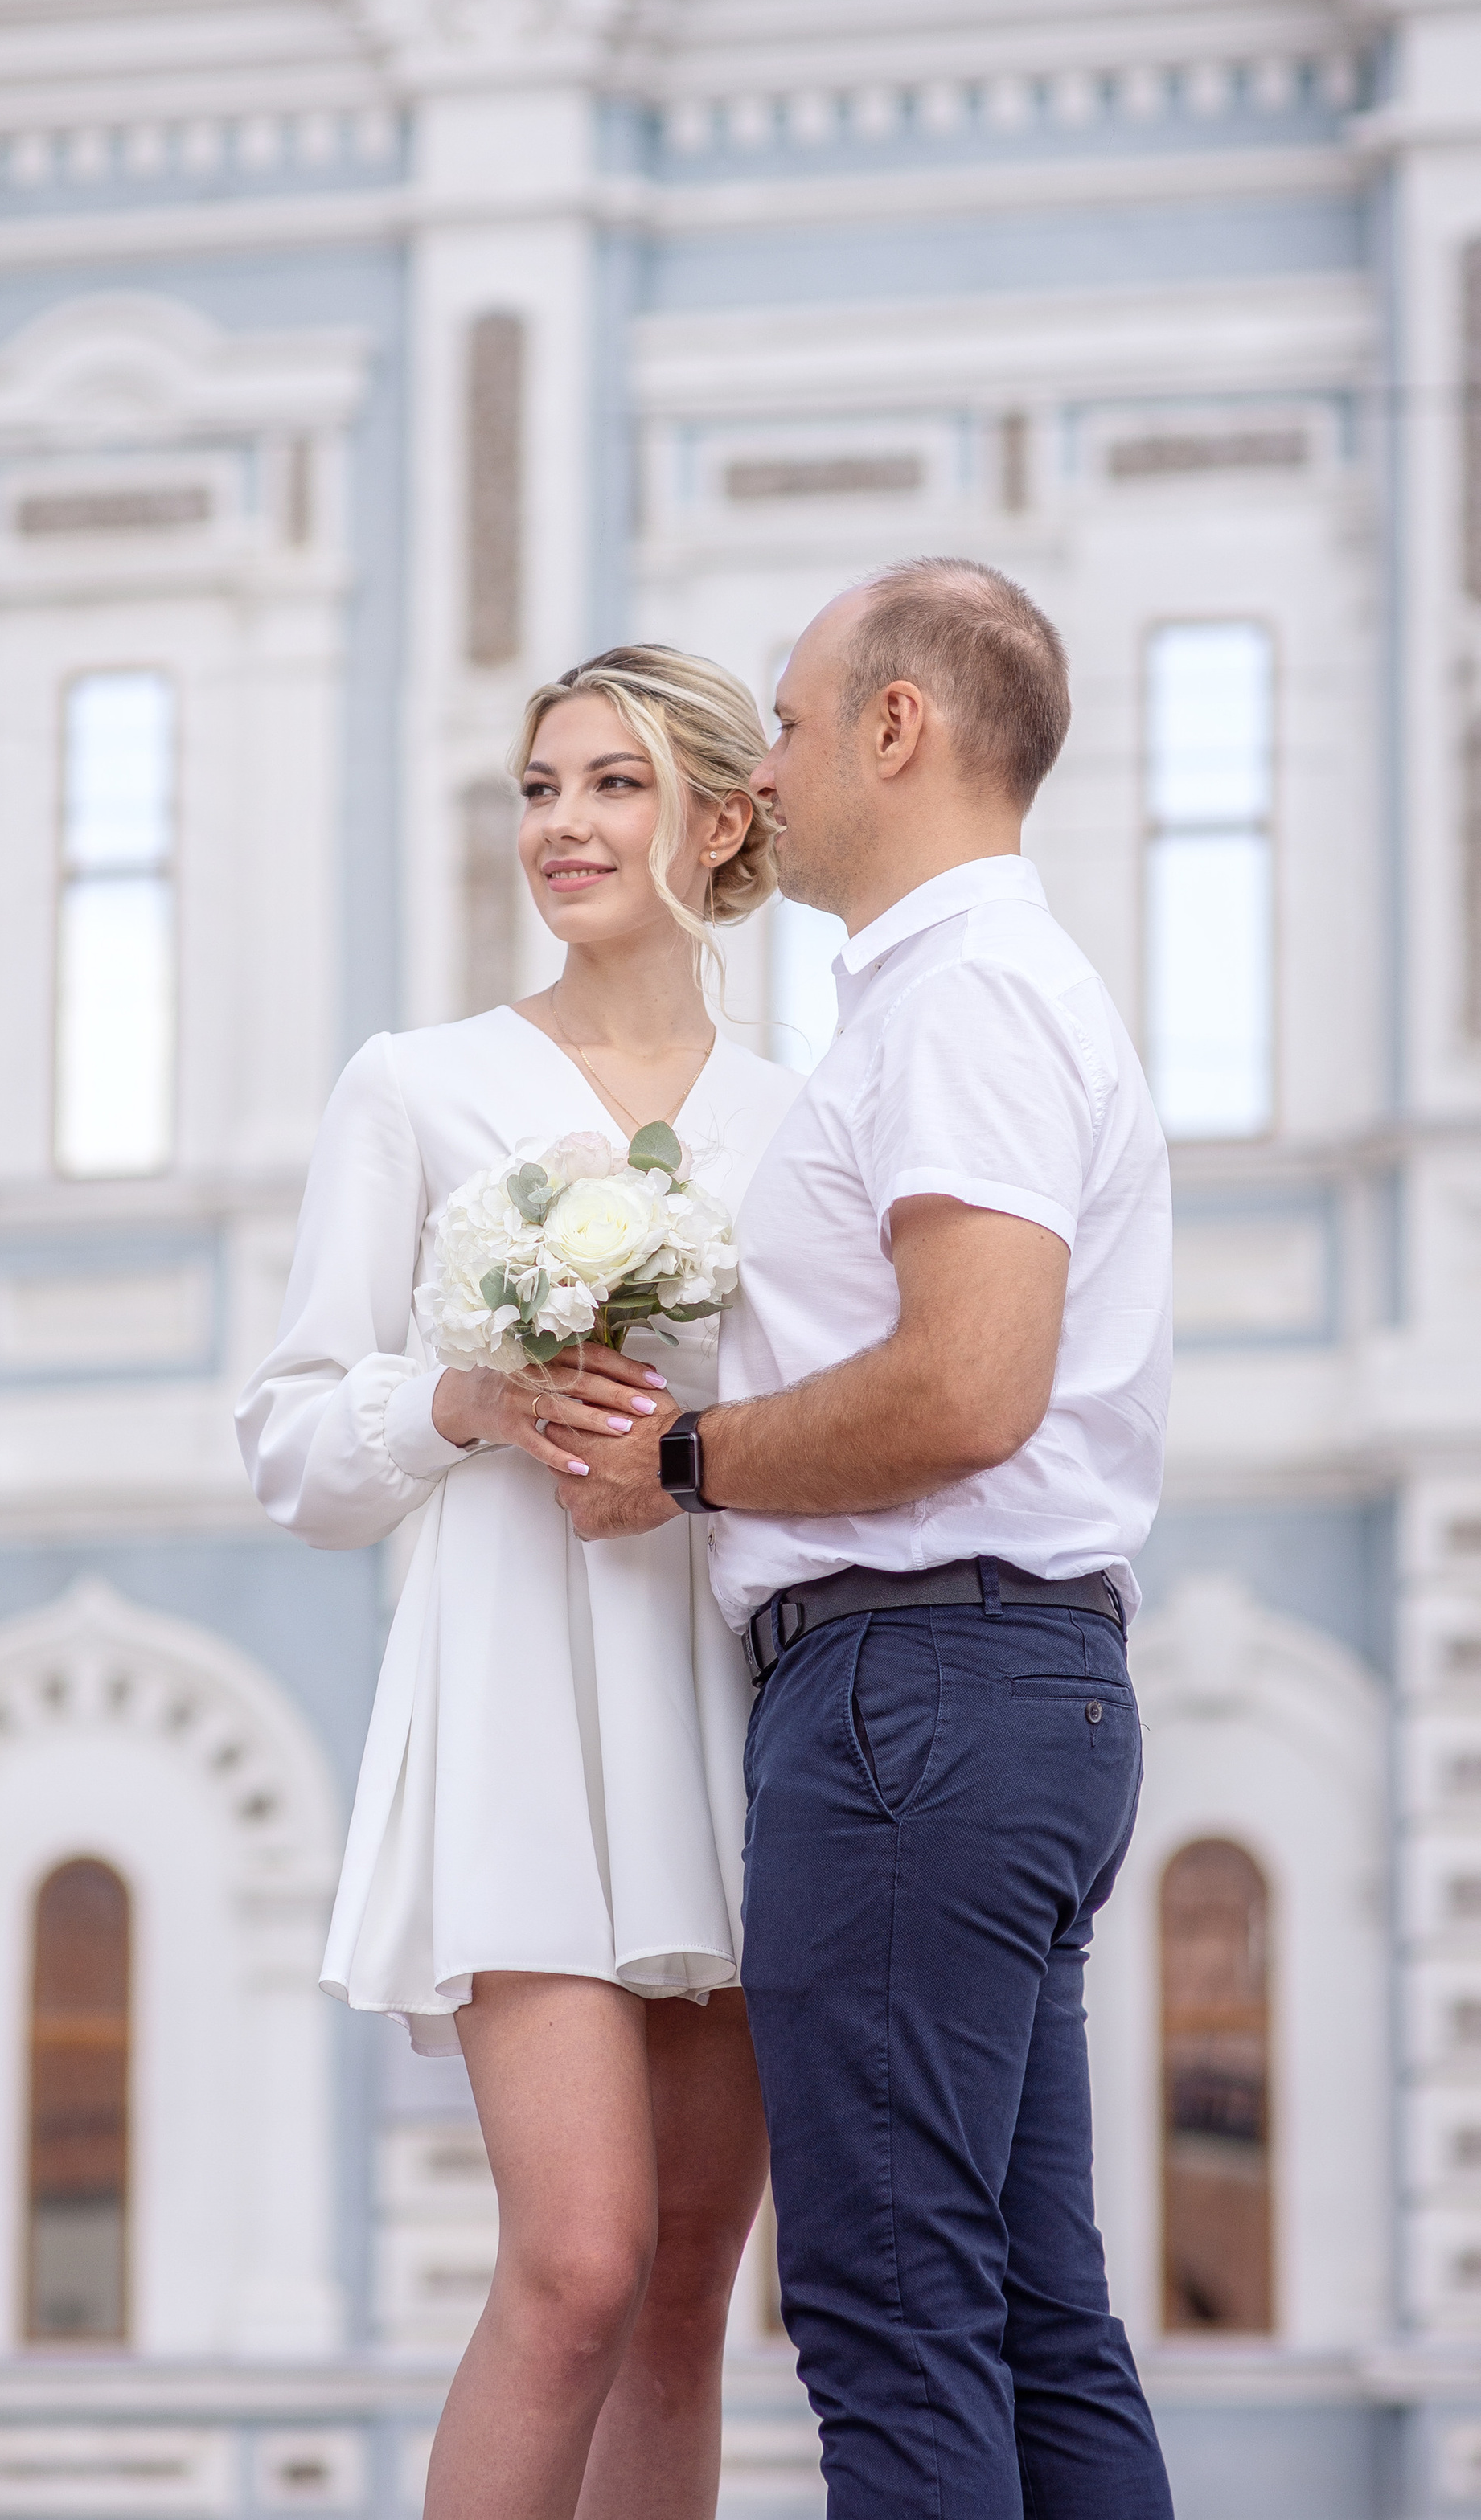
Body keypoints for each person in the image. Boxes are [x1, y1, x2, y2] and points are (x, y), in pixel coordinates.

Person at [560, 561, 1176, 2520]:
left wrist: (679, 1457)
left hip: (914, 1696)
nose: (769, 760)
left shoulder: (964, 998)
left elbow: (966, 1385)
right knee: (1023, 2310)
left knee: (895, 2312)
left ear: (896, 732)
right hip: (1004, 1692)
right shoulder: (970, 991)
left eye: (795, 721)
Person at [237, 645, 802, 2520]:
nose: (560, 824)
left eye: (611, 784)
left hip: (728, 1720)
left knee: (677, 2300)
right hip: (514, 1722)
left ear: (719, 821)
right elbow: (296, 1448)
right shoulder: (416, 1086)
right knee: (573, 2266)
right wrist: (471, 1398)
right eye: (538, 786)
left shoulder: (805, 1125)